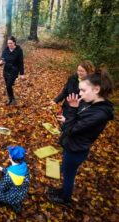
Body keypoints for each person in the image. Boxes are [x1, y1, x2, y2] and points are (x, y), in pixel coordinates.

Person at [48, 68, 114, 205]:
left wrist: (72, 109)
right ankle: (62, 191)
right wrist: (68, 119)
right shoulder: (89, 103)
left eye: (83, 90)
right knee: (66, 171)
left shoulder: (99, 114)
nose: (80, 94)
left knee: (68, 175)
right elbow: (77, 123)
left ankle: (65, 198)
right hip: (71, 144)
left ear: (96, 89)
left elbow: (72, 129)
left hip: (76, 150)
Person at [0, 146, 29, 213]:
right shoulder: (24, 165)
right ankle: (16, 205)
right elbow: (15, 173)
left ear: (10, 157)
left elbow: (2, 187)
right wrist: (1, 169)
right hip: (22, 192)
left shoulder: (9, 176)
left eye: (9, 153)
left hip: (12, 195)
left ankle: (0, 203)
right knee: (16, 199)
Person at [0, 36, 25, 105]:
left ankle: (12, 99)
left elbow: (21, 62)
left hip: (14, 71)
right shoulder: (6, 49)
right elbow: (3, 57)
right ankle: (10, 99)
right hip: (6, 70)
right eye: (8, 43)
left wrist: (22, 74)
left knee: (8, 86)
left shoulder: (19, 50)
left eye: (10, 43)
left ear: (14, 43)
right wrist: (1, 61)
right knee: (8, 86)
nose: (9, 45)